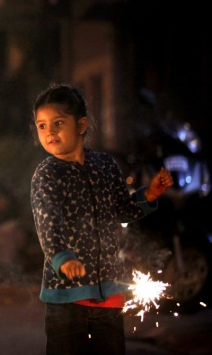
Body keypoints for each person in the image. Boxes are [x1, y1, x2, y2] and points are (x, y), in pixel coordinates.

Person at [30, 83, 173, 355]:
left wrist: (151, 194)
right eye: (42, 126)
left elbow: (122, 210)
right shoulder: (47, 174)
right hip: (66, 299)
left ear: (81, 125)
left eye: (58, 123)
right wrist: (63, 257)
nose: (50, 133)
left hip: (110, 294)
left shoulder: (105, 165)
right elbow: (47, 221)